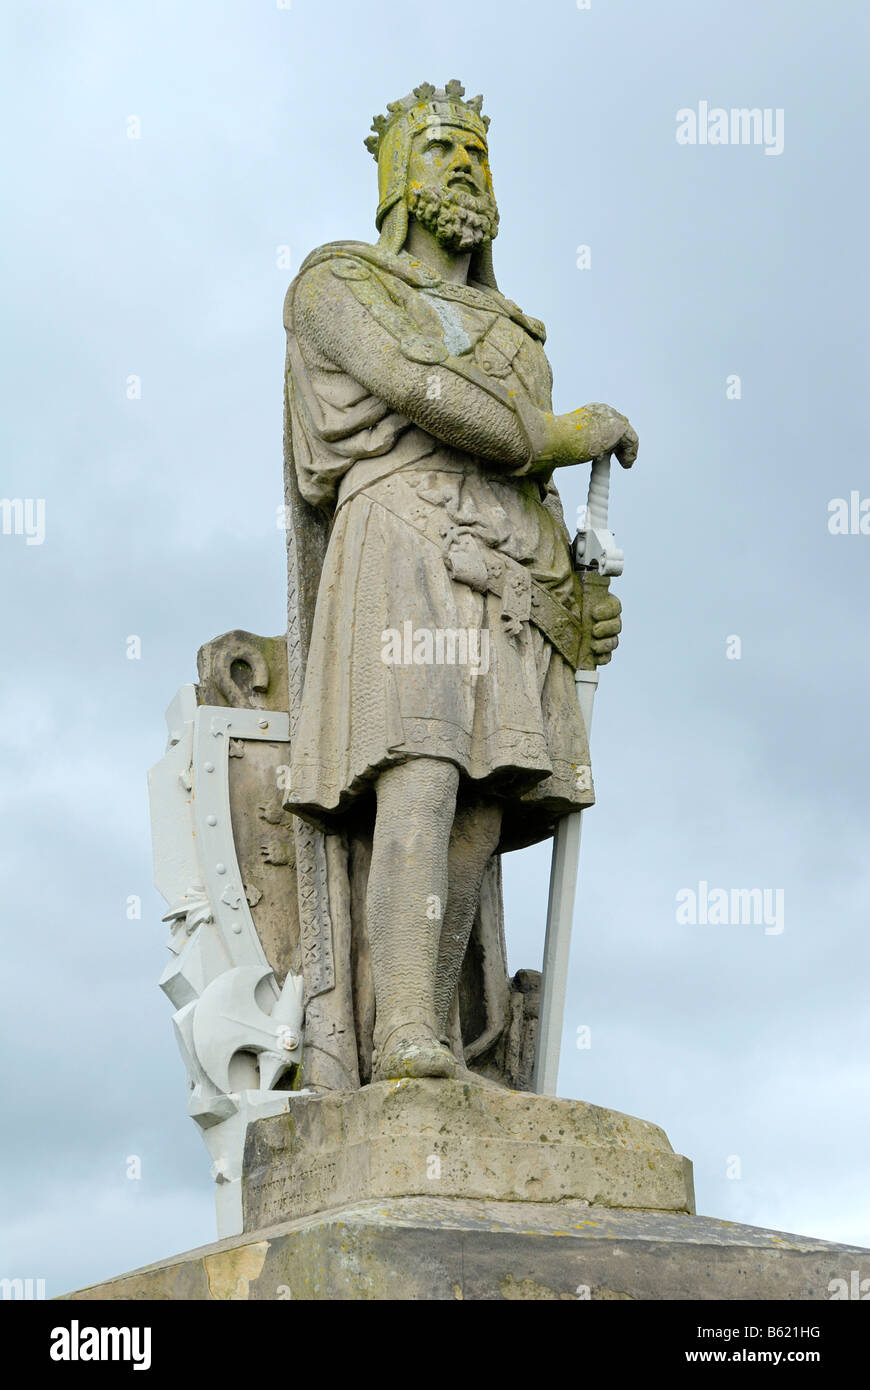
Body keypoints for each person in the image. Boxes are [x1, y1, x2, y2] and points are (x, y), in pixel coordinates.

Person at [284, 81, 637, 1082]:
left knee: (485, 800)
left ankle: (431, 1029)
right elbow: (417, 390)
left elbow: (533, 497)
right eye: (442, 150)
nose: (465, 169)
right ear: (399, 176)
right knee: (423, 766)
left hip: (501, 565)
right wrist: (554, 438)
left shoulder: (517, 333)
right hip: (399, 541)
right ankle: (395, 1026)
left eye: (477, 154)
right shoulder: (335, 286)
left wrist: (576, 608)